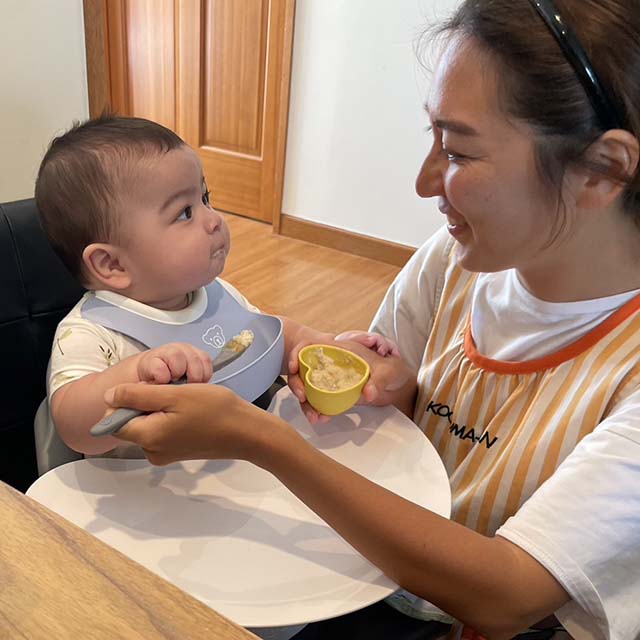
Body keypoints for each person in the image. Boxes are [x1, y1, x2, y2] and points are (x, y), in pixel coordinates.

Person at [99, 0, 640, 637]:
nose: (424, 182)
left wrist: (259, 439)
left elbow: (508, 596)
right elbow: (400, 415)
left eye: (458, 152)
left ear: (602, 170)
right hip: (371, 575)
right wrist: (398, 388)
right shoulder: (456, 259)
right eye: (432, 139)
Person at [34, 115, 401, 462]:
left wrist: (316, 347)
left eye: (205, 198)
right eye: (184, 212)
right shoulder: (90, 333)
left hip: (234, 471)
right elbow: (72, 424)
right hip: (144, 491)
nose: (213, 220)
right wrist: (136, 375)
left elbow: (263, 335)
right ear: (112, 264)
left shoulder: (214, 294)